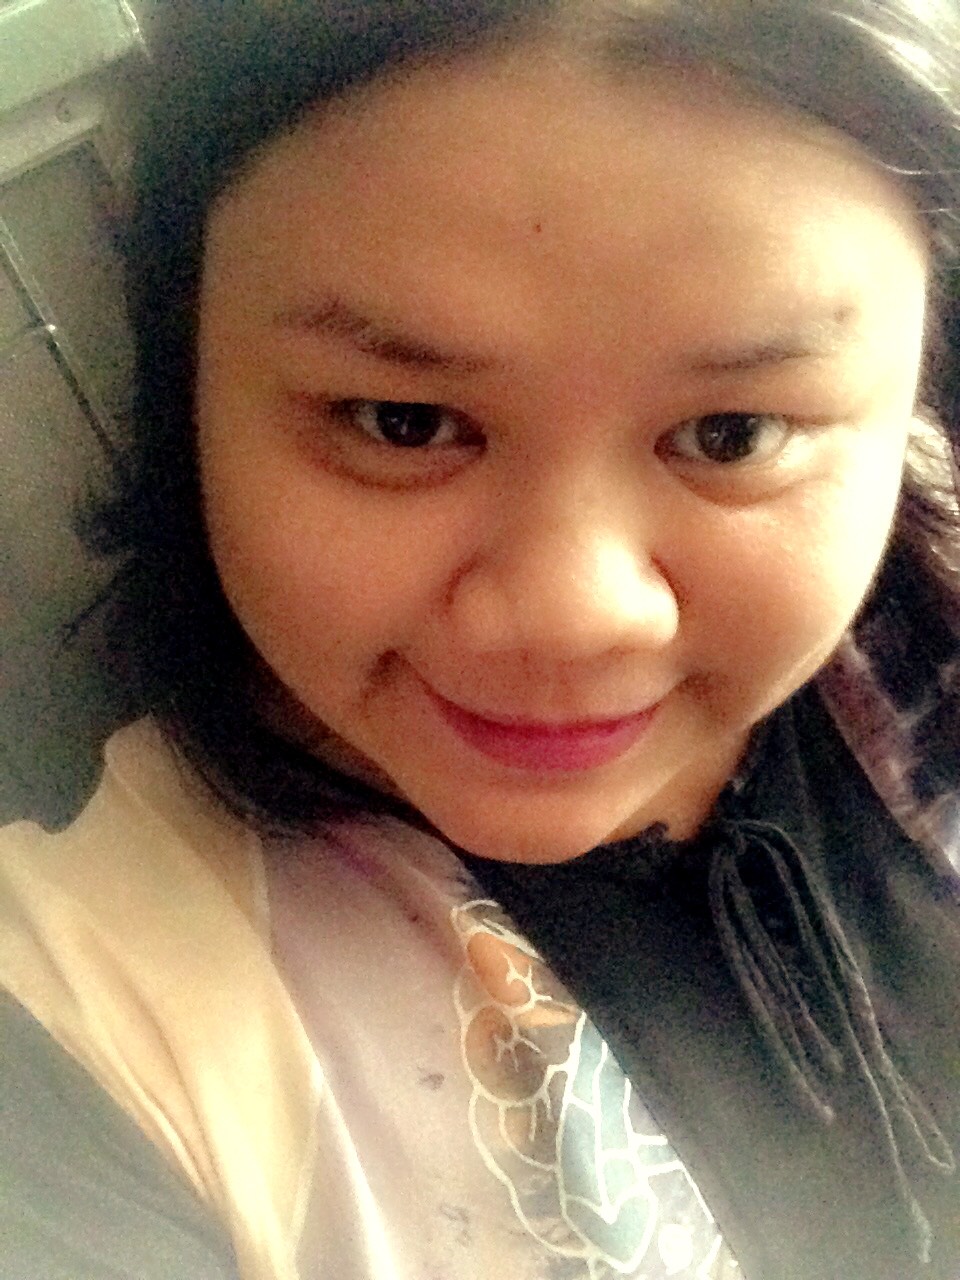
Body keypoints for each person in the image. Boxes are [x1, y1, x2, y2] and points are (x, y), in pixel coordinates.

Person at [1, 1, 959, 1277]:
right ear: (189, 369)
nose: (571, 616)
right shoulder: (85, 1050)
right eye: (400, 422)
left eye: (732, 435)